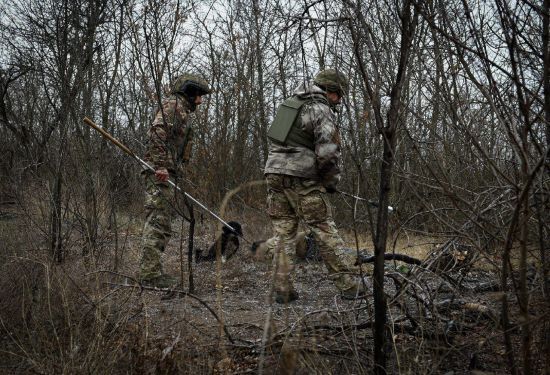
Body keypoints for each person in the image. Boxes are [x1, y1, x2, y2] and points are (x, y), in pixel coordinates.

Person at [264, 69, 366, 302]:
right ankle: (348, 286)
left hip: (274, 174)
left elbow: (276, 141)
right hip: (303, 179)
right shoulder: (321, 109)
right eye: (339, 95)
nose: (339, 100)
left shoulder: (288, 105)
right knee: (324, 230)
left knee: (284, 233)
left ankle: (281, 289)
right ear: (331, 91)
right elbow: (328, 152)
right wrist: (330, 182)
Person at [138, 73, 212, 288]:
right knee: (157, 222)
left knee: (162, 222)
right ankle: (149, 275)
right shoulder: (173, 106)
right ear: (188, 92)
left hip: (167, 173)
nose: (200, 100)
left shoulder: (180, 110)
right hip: (159, 173)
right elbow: (158, 132)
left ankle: (151, 271)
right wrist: (160, 165)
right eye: (197, 95)